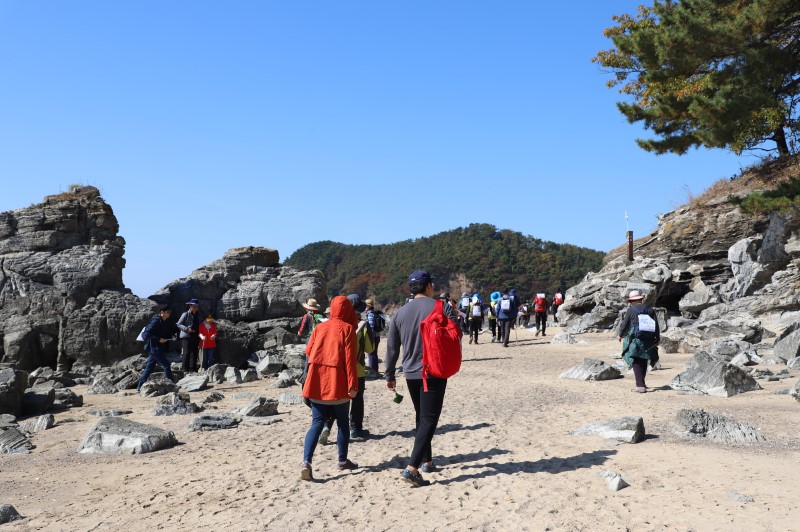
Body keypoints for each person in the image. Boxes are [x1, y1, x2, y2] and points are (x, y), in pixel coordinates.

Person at [385, 270, 457, 487]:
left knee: (421, 416)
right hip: (433, 370)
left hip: (410, 372)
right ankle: (412, 468)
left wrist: (389, 374)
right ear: (428, 287)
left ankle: (427, 460)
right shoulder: (441, 307)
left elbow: (391, 348)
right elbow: (455, 334)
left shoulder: (399, 313)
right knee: (429, 418)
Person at [300, 295, 359, 480]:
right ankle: (342, 461)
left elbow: (308, 352)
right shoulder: (348, 329)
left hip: (317, 381)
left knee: (317, 423)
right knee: (342, 423)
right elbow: (350, 361)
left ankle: (306, 462)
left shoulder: (320, 327)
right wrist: (353, 385)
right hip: (338, 382)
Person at [319, 294, 374, 444]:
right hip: (357, 369)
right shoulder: (361, 325)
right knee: (357, 400)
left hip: (337, 369)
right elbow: (370, 348)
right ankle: (355, 429)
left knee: (335, 401)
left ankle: (327, 426)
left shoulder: (331, 324)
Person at [617, 290, 660, 393]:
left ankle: (640, 386)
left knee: (636, 359)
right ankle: (642, 383)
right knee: (644, 359)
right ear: (641, 299)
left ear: (632, 301)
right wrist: (657, 338)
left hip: (636, 338)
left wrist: (620, 335)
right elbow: (656, 324)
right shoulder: (650, 309)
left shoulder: (631, 310)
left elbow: (625, 324)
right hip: (649, 338)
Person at [137, 305, 179, 392]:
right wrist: (158, 339)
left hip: (156, 348)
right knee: (166, 365)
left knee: (149, 368)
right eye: (168, 312)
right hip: (154, 348)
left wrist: (172, 336)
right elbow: (145, 334)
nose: (169, 314)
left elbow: (164, 333)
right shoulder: (156, 321)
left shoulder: (163, 321)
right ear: (162, 312)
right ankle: (171, 386)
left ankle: (139, 387)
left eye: (170, 312)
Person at [177, 299, 202, 373]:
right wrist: (187, 329)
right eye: (194, 306)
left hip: (196, 336)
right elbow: (178, 324)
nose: (196, 308)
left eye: (197, 306)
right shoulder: (185, 314)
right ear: (190, 306)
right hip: (186, 336)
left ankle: (193, 369)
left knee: (194, 352)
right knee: (186, 352)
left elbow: (201, 323)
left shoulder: (199, 315)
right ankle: (185, 369)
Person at [365, 298, 384, 372]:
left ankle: (373, 370)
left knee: (371, 353)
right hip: (377, 336)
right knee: (374, 353)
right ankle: (375, 369)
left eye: (366, 305)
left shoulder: (370, 314)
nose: (365, 307)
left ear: (368, 306)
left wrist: (369, 337)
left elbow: (371, 327)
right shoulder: (376, 313)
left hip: (372, 336)